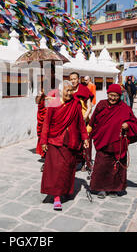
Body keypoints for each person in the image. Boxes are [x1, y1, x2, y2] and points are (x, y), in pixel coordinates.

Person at [88, 84, 137, 199]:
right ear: (107, 94)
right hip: (103, 140)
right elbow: (93, 120)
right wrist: (87, 133)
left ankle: (114, 188)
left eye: (115, 96)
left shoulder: (124, 108)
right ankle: (101, 188)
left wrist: (127, 125)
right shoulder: (101, 105)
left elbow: (133, 121)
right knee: (102, 165)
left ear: (120, 96)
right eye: (111, 95)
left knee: (117, 166)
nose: (113, 98)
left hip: (118, 142)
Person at [40, 81, 90, 211]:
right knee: (55, 169)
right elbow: (46, 123)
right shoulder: (54, 103)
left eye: (71, 90)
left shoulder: (76, 103)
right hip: (55, 140)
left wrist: (85, 137)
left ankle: (65, 190)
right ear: (60, 91)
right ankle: (56, 196)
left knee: (67, 168)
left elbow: (80, 122)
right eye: (67, 90)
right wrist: (43, 141)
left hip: (71, 141)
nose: (69, 93)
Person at [69, 72, 94, 173]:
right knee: (74, 141)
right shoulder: (69, 90)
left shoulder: (84, 90)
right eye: (71, 79)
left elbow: (89, 107)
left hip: (84, 119)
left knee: (85, 141)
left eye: (74, 79)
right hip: (73, 120)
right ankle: (75, 161)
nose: (73, 81)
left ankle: (86, 162)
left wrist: (84, 118)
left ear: (78, 79)